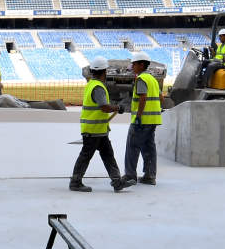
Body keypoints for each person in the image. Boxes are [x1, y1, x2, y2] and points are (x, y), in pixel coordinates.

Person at [69, 56, 133, 193]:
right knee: (86, 156)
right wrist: (117, 108)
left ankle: (117, 182)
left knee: (108, 155)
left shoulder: (91, 85)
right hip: (93, 131)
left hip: (98, 130)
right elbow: (104, 107)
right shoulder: (98, 88)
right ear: (104, 72)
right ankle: (75, 182)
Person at [120, 51, 161, 186]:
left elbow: (143, 97)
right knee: (149, 148)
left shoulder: (141, 79)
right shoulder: (153, 79)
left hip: (142, 120)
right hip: (153, 120)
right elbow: (161, 97)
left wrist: (138, 116)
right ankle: (150, 176)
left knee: (132, 146)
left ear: (141, 65)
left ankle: (130, 175)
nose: (132, 66)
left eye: (134, 64)